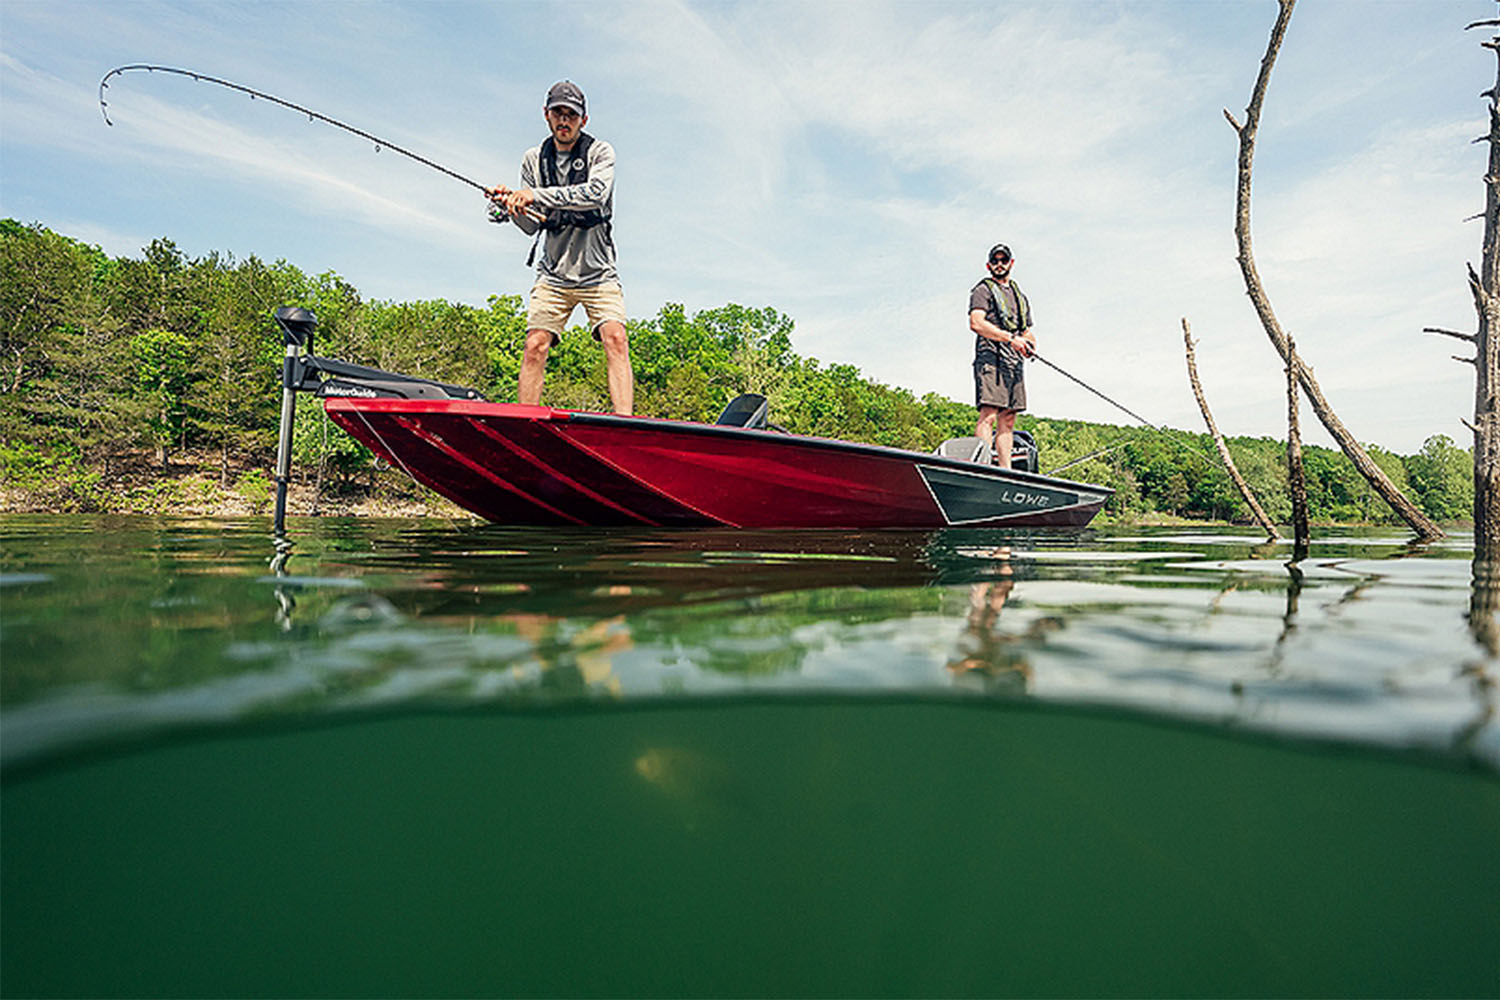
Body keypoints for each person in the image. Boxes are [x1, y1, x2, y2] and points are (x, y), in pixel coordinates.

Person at [487, 81, 633, 415]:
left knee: (616, 338)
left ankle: (625, 423)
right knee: (535, 345)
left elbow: (595, 193)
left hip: (598, 272)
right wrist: (510, 207)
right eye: (558, 113)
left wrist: (534, 195)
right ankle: (526, 422)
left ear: (584, 120)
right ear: (546, 115)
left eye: (571, 115)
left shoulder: (600, 152)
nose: (564, 121)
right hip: (553, 272)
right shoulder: (533, 160)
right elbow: (530, 226)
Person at [968, 243, 1034, 468]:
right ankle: (983, 468)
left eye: (1003, 260)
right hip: (990, 359)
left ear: (1011, 263)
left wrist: (1030, 344)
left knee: (1008, 418)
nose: (999, 264)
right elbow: (976, 323)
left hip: (1013, 363)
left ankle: (1006, 473)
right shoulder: (982, 290)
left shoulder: (1020, 297)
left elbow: (1026, 331)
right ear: (988, 265)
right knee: (989, 414)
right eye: (994, 261)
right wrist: (1008, 338)